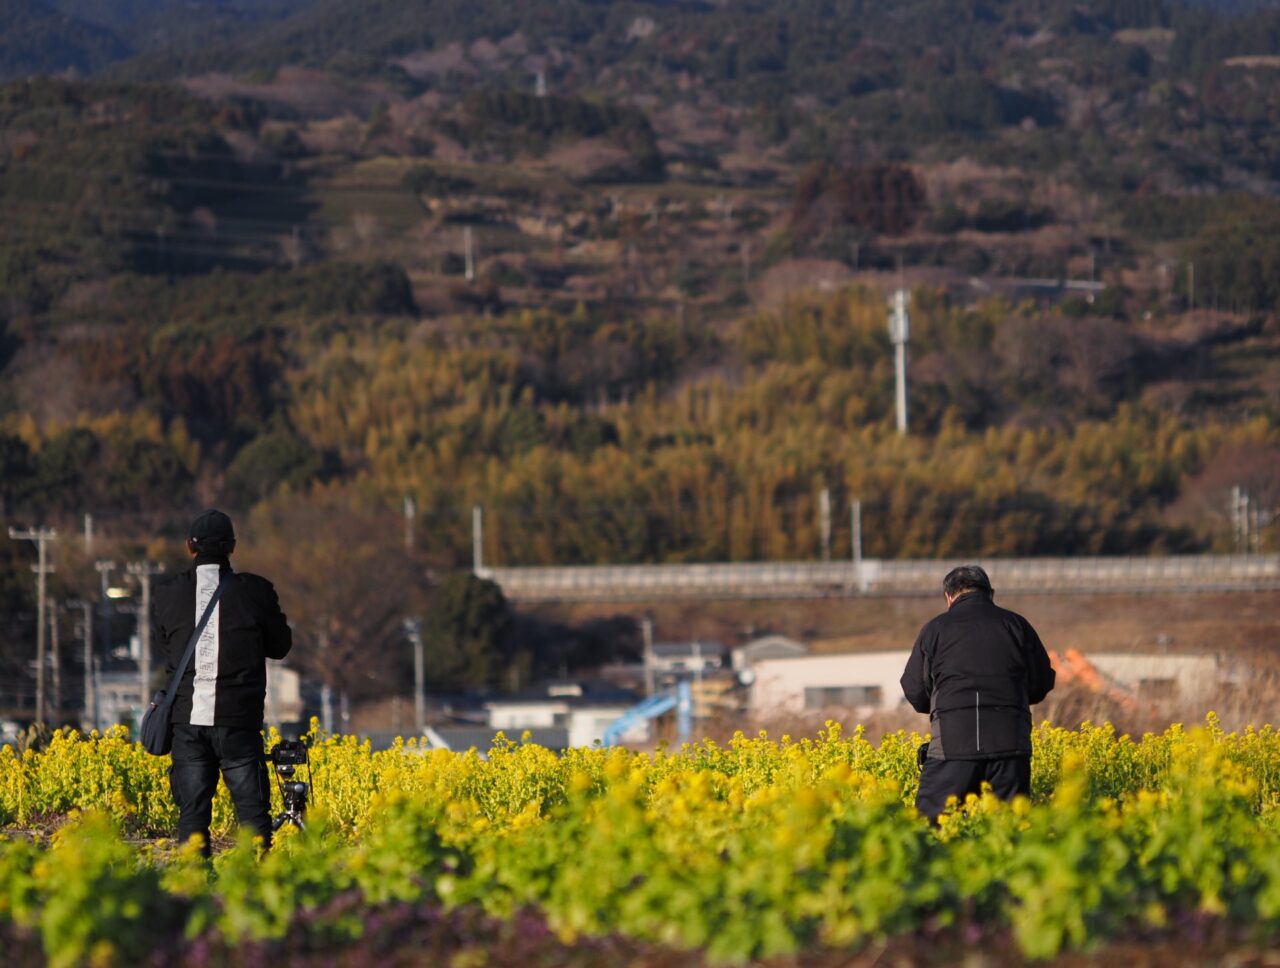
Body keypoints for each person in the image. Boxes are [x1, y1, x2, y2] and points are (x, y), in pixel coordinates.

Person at [152, 509, 291, 854]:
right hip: (238, 721)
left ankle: (195, 891)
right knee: (253, 817)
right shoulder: (257, 591)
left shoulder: (167, 594)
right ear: (232, 546)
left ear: (189, 546)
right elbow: (281, 646)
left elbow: (167, 646)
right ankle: (257, 887)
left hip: (187, 720)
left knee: (193, 817)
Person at [900, 564, 1054, 822]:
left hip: (952, 746)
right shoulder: (1017, 625)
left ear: (948, 597)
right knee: (1008, 831)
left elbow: (915, 691)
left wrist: (943, 707)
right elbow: (1041, 683)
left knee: (931, 830)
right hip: (1010, 746)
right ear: (990, 593)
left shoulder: (934, 630)